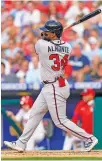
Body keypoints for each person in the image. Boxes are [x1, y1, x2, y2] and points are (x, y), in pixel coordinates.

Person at [4, 20, 98, 152]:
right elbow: (53, 43)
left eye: (48, 31)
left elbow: (41, 41)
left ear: (54, 33)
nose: (44, 32)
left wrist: (51, 38)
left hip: (54, 87)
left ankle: (89, 138)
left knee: (60, 120)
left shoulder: (42, 45)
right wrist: (55, 37)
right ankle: (21, 142)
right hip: (55, 85)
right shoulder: (67, 46)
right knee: (35, 113)